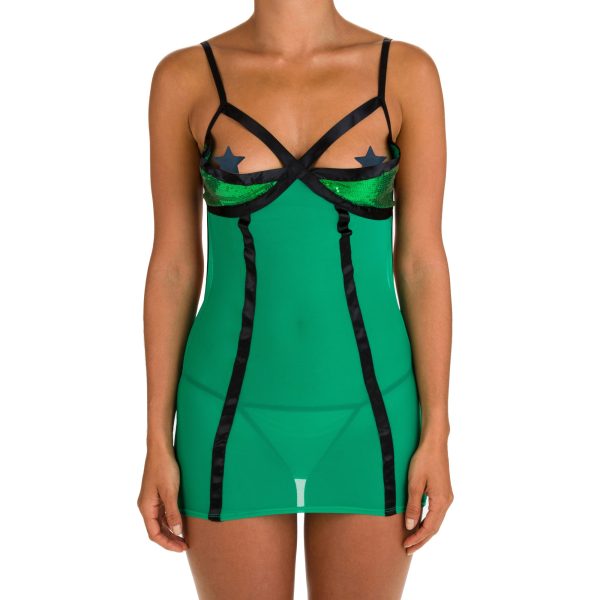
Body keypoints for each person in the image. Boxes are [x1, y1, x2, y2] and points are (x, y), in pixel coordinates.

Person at [138, 1, 453, 597]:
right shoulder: (185, 77)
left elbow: (421, 263)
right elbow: (175, 267)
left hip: (373, 415)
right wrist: (157, 435)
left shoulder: (405, 72)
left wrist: (437, 428)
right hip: (226, 415)